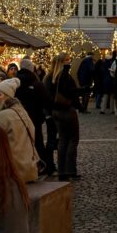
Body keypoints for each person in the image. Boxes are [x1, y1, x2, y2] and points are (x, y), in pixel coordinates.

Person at [0, 78, 41, 183]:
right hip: (29, 169)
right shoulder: (23, 112)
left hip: (11, 172)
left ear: (7, 96)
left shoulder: (2, 116)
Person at [45, 53, 80, 181]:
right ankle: (70, 170)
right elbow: (70, 92)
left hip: (56, 112)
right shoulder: (64, 75)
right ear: (61, 62)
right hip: (66, 110)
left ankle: (61, 171)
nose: (69, 62)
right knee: (72, 140)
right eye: (67, 60)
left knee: (63, 140)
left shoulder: (49, 77)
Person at [15, 58, 51, 171]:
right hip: (35, 117)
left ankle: (22, 166)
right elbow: (46, 101)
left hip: (17, 117)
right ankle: (40, 166)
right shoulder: (36, 83)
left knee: (21, 142)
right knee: (37, 142)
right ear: (31, 69)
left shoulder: (14, 82)